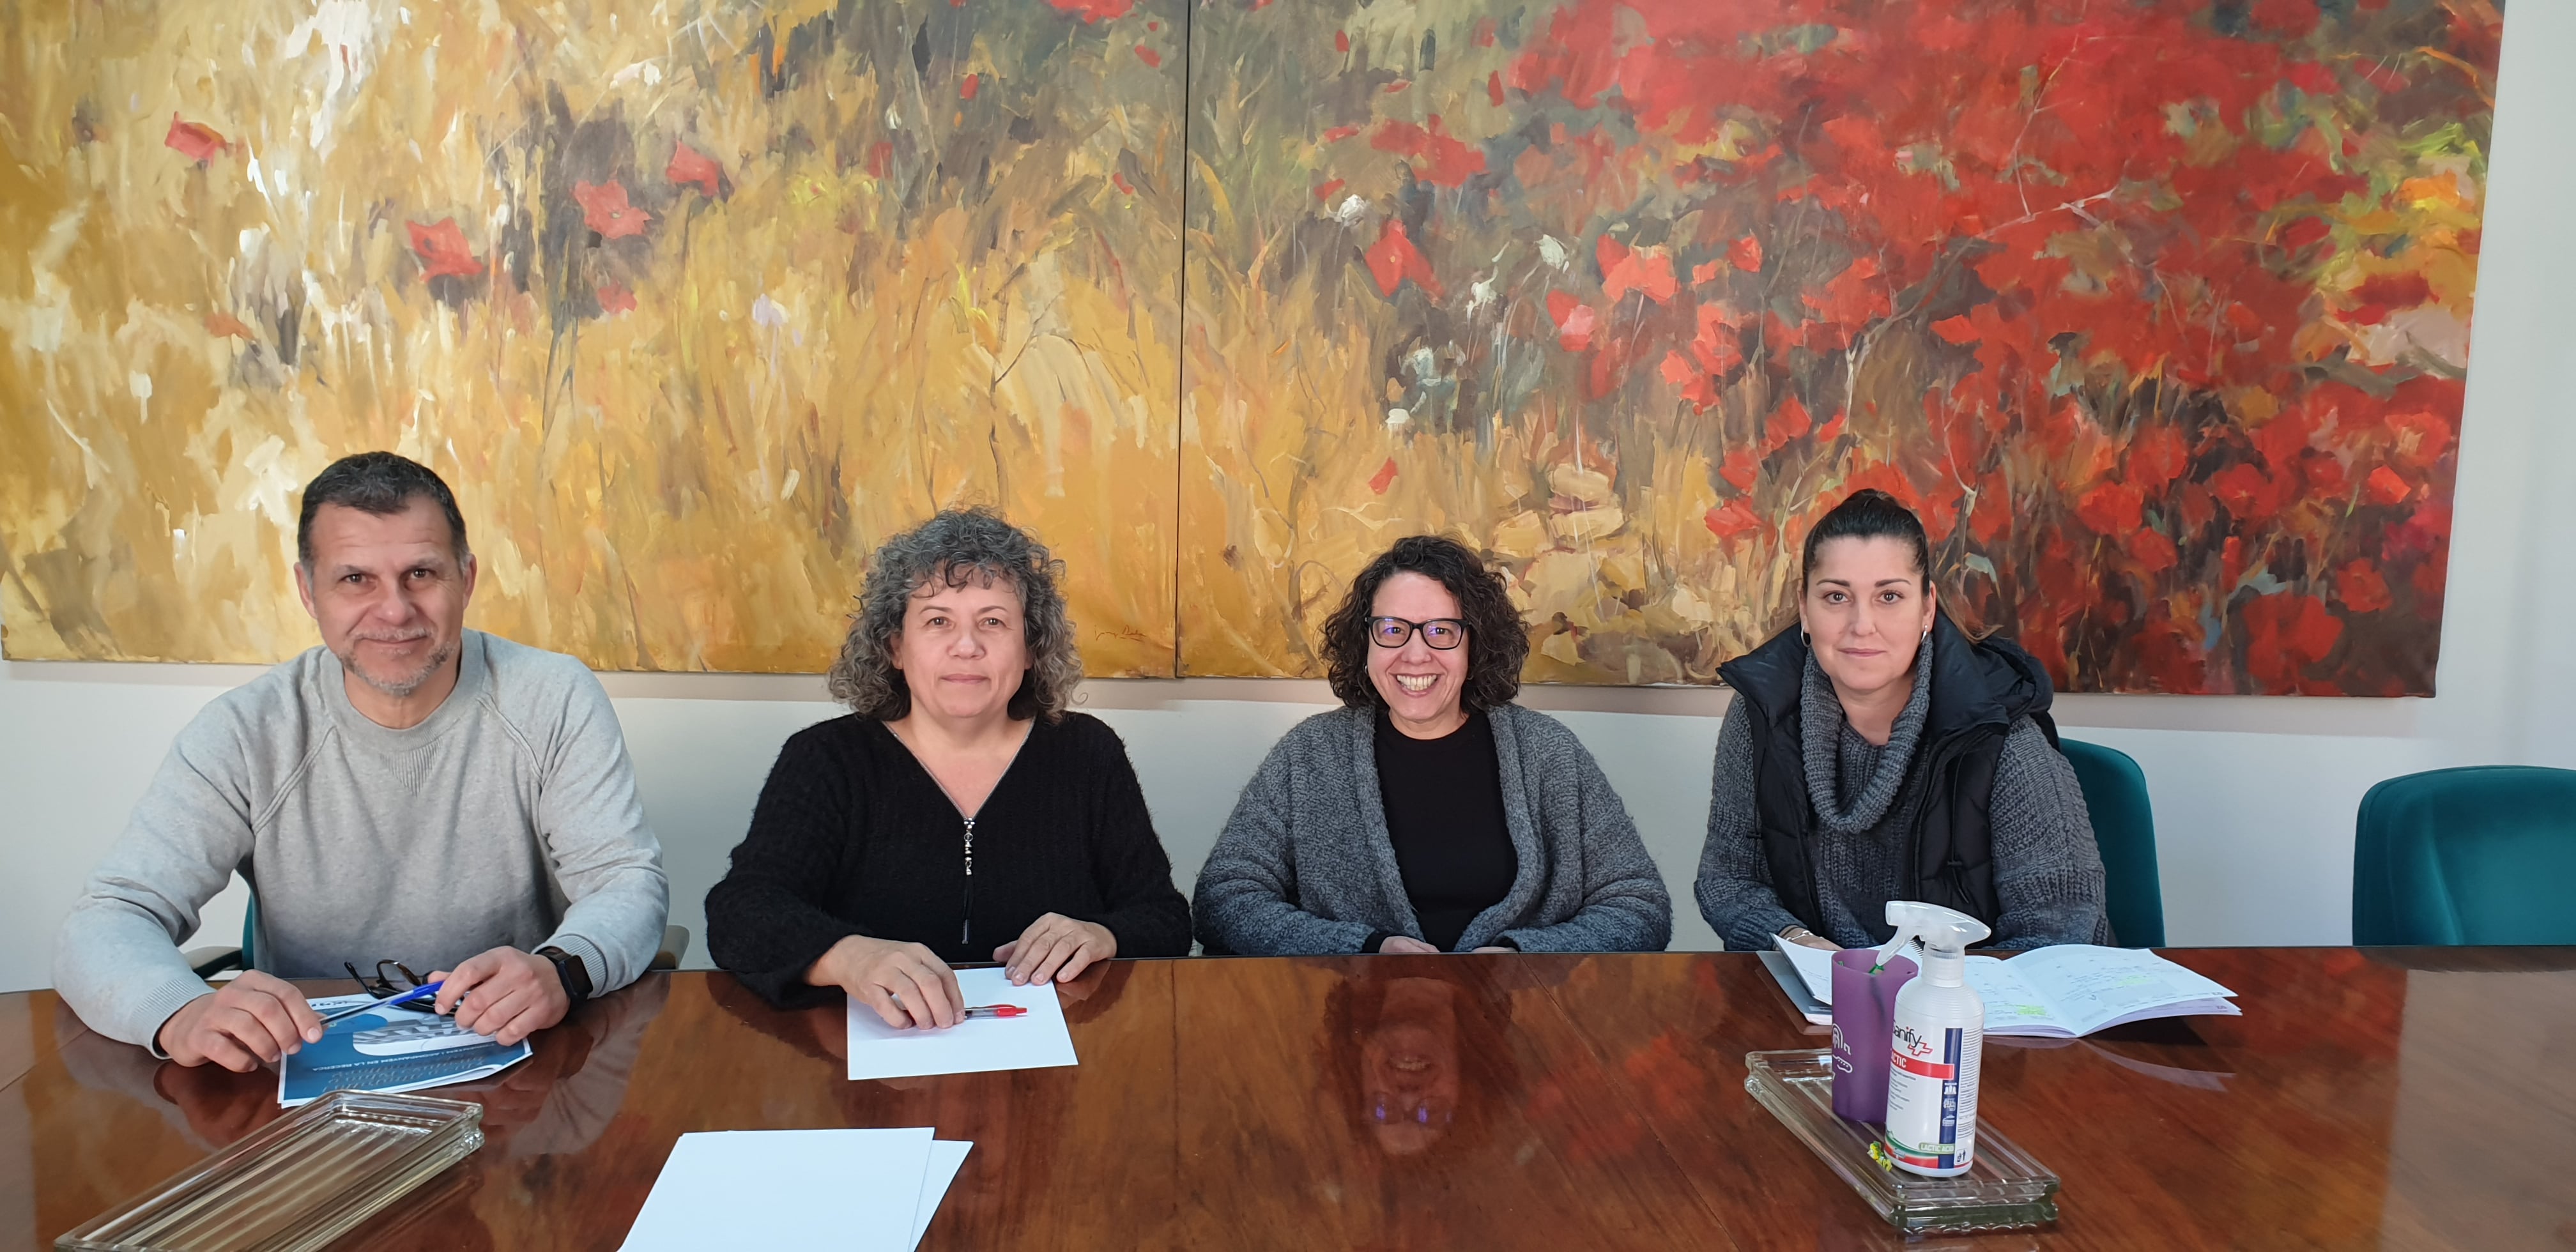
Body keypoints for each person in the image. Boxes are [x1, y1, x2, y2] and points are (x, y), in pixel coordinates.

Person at [53, 452, 671, 1069]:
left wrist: (562, 969)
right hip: (308, 1070)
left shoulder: (553, 697)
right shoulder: (244, 730)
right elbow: (110, 917)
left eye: (421, 573)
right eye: (355, 579)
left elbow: (626, 883)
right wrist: (177, 1010)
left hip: (521, 1062)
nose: (395, 610)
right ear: (308, 590)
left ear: (466, 579)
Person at [704, 508, 1191, 1028]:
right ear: (896, 647)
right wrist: (847, 956)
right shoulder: (826, 758)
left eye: (993, 622)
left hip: (1049, 1053)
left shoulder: (1088, 753)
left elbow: (1164, 917)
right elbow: (741, 911)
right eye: (938, 621)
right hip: (873, 1049)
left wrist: (1104, 935)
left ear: (1031, 650)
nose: (967, 647)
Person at [1193, 535, 1671, 956]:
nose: (1415, 654)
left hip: (1518, 1016)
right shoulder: (1309, 754)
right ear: (1365, 642)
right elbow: (1223, 900)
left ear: (1476, 645)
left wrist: (1523, 957)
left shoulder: (1549, 753)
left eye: (1442, 631)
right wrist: (1363, 949)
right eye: (1393, 629)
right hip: (1351, 1013)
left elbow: (1639, 905)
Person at [1696, 489, 2110, 954]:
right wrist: (1798, 943)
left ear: (1927, 608)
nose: (1862, 625)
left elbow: (2060, 932)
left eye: (1889, 596)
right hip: (1817, 990)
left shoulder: (2001, 736)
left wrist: (1922, 987)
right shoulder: (1760, 715)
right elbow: (1729, 878)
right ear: (1805, 609)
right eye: (1836, 596)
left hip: (1966, 995)